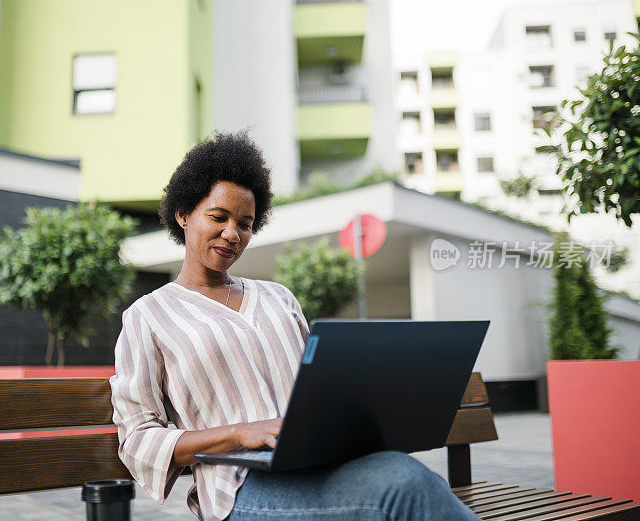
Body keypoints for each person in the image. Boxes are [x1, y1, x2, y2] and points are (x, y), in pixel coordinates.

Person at [109, 132, 480, 521]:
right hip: (240, 488)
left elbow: (316, 391)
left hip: (321, 468)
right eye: (219, 217)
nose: (233, 233)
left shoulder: (277, 297)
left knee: (410, 478)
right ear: (183, 215)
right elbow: (137, 439)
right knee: (403, 485)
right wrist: (239, 433)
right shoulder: (148, 316)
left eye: (245, 223)